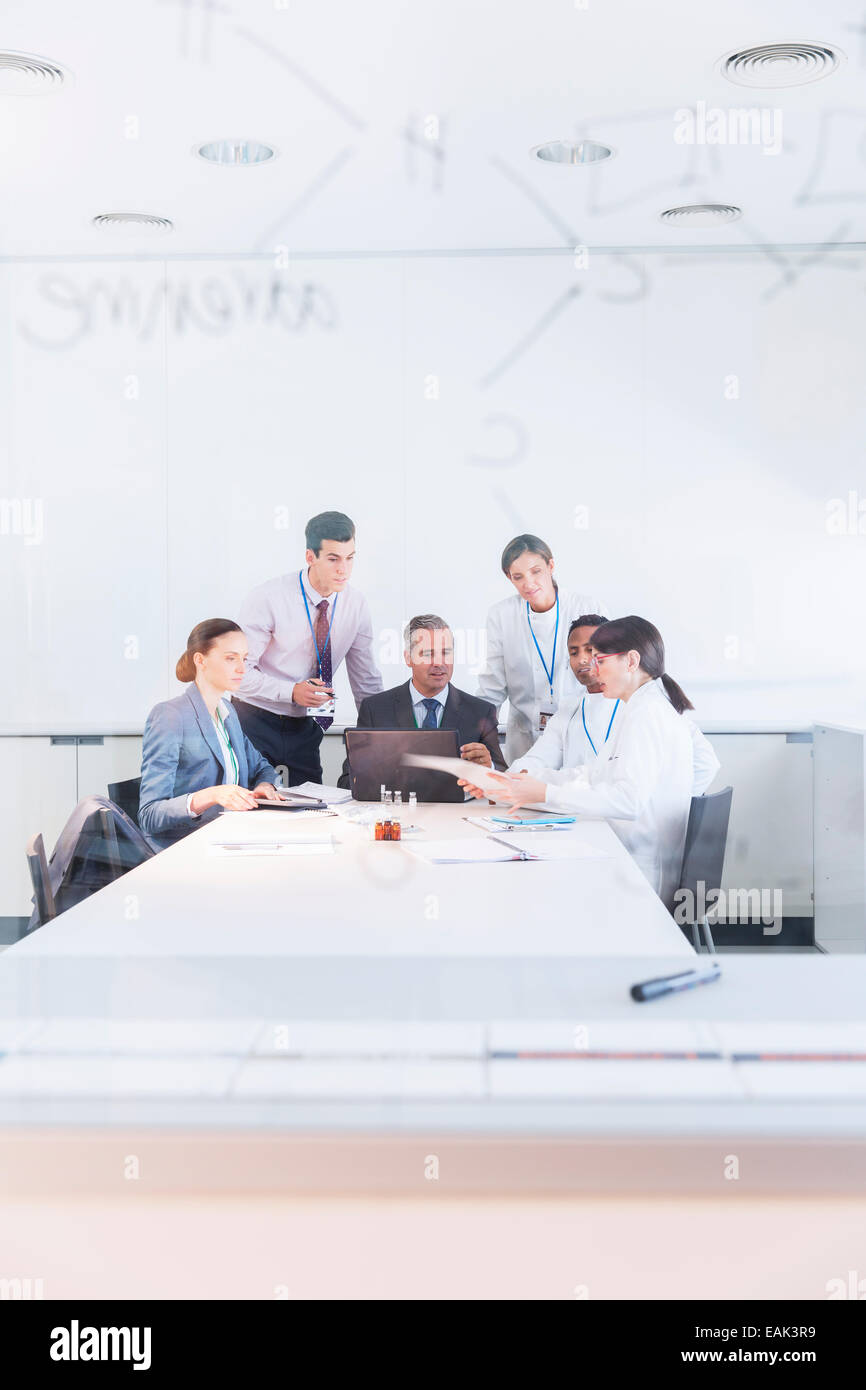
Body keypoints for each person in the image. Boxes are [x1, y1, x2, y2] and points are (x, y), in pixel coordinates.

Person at [461, 616, 697, 911]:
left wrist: (544, 793)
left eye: (601, 660)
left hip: (641, 872)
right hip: (629, 855)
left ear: (632, 661)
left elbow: (628, 801)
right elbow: (592, 773)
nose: (593, 669)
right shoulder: (639, 706)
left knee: (532, 892)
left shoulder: (648, 712)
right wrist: (511, 784)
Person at [233, 511, 383, 784]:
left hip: (306, 724)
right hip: (255, 719)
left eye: (350, 559)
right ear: (310, 557)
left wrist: (385, 734)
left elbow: (366, 680)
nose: (344, 570)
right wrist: (292, 692)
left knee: (311, 806)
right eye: (333, 559)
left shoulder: (356, 604)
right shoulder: (268, 597)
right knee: (252, 805)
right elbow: (238, 675)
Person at [509, 615, 720, 795]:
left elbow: (705, 764)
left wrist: (666, 805)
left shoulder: (644, 704)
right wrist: (508, 779)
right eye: (574, 652)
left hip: (621, 824)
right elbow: (538, 761)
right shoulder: (569, 709)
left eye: (593, 652)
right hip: (585, 818)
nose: (584, 659)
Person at [139, 620, 281, 851]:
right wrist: (212, 795)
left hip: (231, 838)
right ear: (200, 660)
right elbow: (150, 815)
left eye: (244, 659)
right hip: (186, 847)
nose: (242, 669)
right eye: (230, 658)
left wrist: (265, 785)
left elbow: (262, 768)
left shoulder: (228, 712)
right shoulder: (170, 716)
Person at [476, 534, 608, 763]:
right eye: (518, 577)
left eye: (536, 571)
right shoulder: (502, 615)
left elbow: (609, 673)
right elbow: (492, 688)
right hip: (525, 740)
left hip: (582, 733)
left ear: (551, 565)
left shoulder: (587, 607)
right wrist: (474, 733)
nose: (528, 584)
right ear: (509, 577)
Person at [339, 614, 506, 787]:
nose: (439, 663)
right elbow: (347, 781)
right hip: (398, 811)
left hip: (455, 812)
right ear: (408, 658)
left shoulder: (480, 711)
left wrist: (489, 767)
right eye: (428, 654)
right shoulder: (375, 709)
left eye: (446, 652)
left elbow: (503, 780)